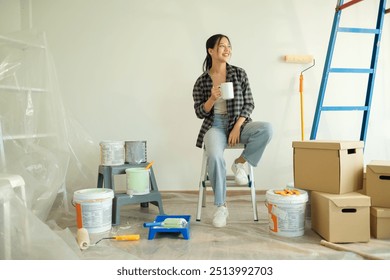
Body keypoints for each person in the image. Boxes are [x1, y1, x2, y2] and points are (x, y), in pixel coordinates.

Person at [192, 34, 272, 228]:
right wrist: (211, 99)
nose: (227, 49)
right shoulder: (202, 81)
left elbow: (250, 103)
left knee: (266, 129)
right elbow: (199, 112)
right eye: (222, 46)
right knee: (214, 155)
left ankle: (240, 163)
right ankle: (221, 206)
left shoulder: (239, 73)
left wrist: (237, 126)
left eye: (229, 46)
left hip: (240, 123)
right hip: (215, 126)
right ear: (211, 51)